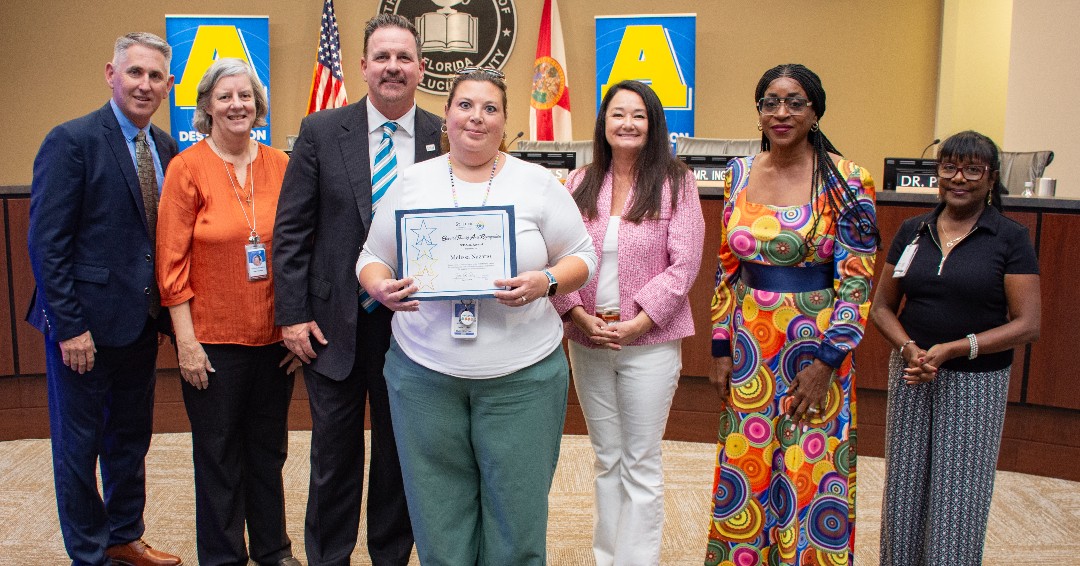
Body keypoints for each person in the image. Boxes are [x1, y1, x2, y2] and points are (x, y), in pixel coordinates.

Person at [356, 67, 596, 565]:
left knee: (517, 513)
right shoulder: (411, 182)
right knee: (438, 513)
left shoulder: (537, 183)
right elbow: (370, 256)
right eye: (465, 105)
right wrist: (379, 284)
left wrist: (545, 283)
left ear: (505, 120)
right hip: (424, 377)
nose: (476, 118)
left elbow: (583, 257)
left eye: (490, 108)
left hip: (522, 378)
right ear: (445, 115)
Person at [273, 14, 441, 566]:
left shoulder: (445, 135)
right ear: (364, 66)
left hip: (417, 327)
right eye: (382, 57)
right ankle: (328, 558)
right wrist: (291, 316)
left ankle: (390, 557)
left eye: (404, 57)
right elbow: (293, 231)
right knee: (334, 456)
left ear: (421, 68)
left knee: (399, 457)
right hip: (333, 325)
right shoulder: (321, 131)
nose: (393, 67)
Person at [704, 64, 878, 565]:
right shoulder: (738, 174)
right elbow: (727, 270)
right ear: (758, 113)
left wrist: (828, 361)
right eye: (770, 102)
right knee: (748, 462)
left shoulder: (848, 180)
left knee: (810, 468)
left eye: (795, 102)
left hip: (815, 347)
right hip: (752, 349)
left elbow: (857, 278)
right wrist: (720, 347)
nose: (781, 112)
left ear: (815, 111)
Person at [25, 32, 183, 566]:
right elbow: (48, 244)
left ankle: (124, 536)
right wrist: (68, 326)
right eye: (134, 72)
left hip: (138, 323)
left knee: (130, 439)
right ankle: (89, 553)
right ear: (111, 74)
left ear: (168, 85)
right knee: (78, 448)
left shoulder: (164, 146)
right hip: (81, 329)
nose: (144, 84)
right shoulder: (71, 140)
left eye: (155, 76)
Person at [549, 80, 704, 566]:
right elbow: (559, 254)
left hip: (650, 342)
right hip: (589, 339)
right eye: (618, 114)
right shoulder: (578, 182)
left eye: (638, 115)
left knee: (639, 460)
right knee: (605, 458)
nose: (628, 124)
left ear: (652, 123)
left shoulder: (676, 182)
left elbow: (685, 265)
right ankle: (605, 557)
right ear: (604, 123)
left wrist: (640, 321)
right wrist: (574, 312)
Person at [155, 58, 301, 566]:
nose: (237, 105)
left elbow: (298, 251)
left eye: (245, 95)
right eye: (225, 97)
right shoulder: (186, 168)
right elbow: (170, 263)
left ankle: (273, 549)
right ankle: (222, 557)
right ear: (207, 107)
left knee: (268, 451)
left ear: (257, 104)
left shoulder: (282, 165)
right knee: (218, 455)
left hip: (275, 340)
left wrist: (297, 327)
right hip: (212, 341)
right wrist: (187, 343)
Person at [871, 130, 1040, 566]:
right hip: (912, 372)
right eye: (949, 167)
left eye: (972, 170)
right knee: (904, 489)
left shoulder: (1009, 237)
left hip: (976, 383)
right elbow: (882, 307)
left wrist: (954, 349)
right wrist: (909, 349)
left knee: (958, 496)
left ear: (991, 178)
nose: (958, 178)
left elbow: (1027, 324)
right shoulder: (914, 230)